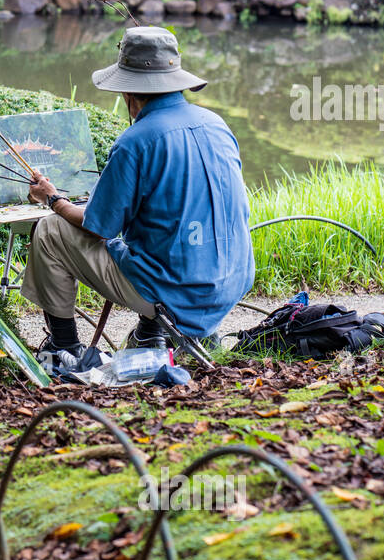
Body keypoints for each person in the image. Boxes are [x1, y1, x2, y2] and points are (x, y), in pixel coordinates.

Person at [21, 25, 254, 369]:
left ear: (130, 91)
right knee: (158, 233)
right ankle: (152, 333)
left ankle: (62, 348)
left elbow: (99, 227)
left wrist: (53, 198)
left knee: (51, 231)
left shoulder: (137, 140)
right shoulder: (216, 123)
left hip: (177, 289)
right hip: (233, 277)